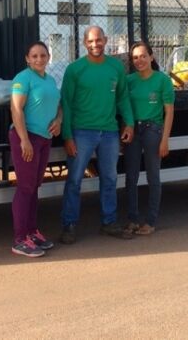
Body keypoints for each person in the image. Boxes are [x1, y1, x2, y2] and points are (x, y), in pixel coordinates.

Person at [59, 26, 134, 244]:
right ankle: (69, 225)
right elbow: (67, 104)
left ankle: (109, 222)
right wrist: (68, 136)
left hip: (109, 132)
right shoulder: (75, 70)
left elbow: (122, 98)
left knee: (110, 178)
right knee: (74, 180)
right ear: (84, 43)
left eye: (99, 40)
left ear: (106, 40)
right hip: (81, 132)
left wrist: (128, 123)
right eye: (91, 41)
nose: (95, 44)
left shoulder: (116, 68)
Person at [9, 41, 62, 258]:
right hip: (27, 137)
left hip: (44, 138)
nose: (39, 59)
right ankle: (20, 239)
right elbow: (16, 108)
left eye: (43, 55)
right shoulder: (23, 79)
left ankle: (32, 232)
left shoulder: (49, 80)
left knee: (34, 186)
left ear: (48, 57)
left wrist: (59, 120)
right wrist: (24, 140)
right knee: (25, 187)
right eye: (34, 56)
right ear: (27, 59)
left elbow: (58, 105)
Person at [124, 41, 175, 236]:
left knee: (153, 176)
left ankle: (150, 221)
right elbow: (123, 106)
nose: (139, 61)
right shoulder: (129, 81)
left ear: (151, 57)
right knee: (131, 176)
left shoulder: (162, 80)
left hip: (153, 130)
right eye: (135, 57)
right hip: (133, 130)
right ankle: (133, 219)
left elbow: (169, 112)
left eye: (143, 56)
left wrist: (165, 140)